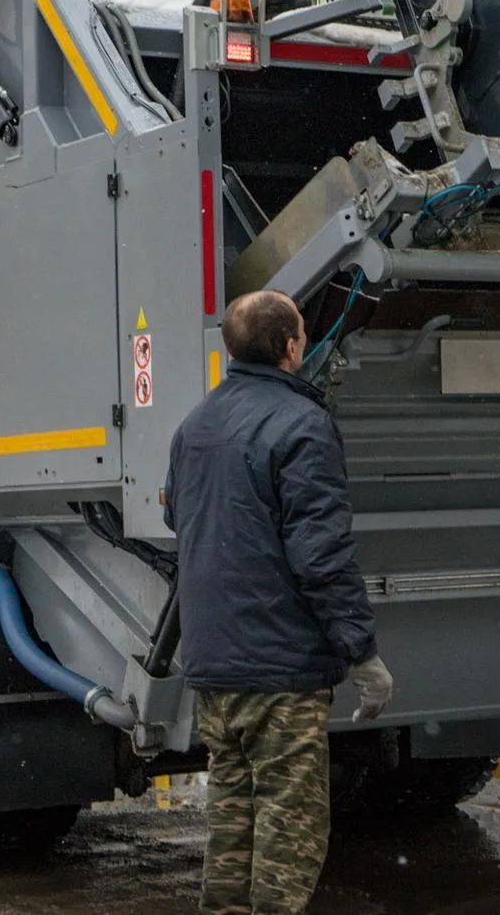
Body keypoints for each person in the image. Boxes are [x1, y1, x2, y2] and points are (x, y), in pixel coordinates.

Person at [164, 289, 394, 915]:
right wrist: (362, 654)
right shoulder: (301, 425)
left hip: (216, 665)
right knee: (290, 831)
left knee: (233, 819)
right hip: (280, 669)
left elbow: (180, 519)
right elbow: (321, 555)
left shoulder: (193, 427)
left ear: (230, 349)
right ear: (293, 347)